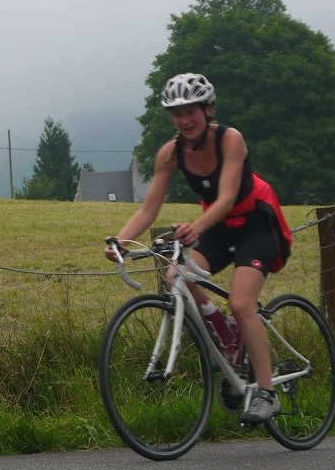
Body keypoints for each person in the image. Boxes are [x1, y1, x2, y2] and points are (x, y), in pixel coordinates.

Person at [105, 72, 292, 424]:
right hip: (218, 226)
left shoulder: (230, 139)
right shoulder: (170, 153)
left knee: (241, 302)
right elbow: (148, 209)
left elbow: (226, 199)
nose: (184, 120)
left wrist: (195, 227)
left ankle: (267, 392)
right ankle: (227, 334)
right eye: (177, 114)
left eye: (191, 111)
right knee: (176, 274)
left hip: (255, 222)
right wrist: (121, 241)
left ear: (208, 110)